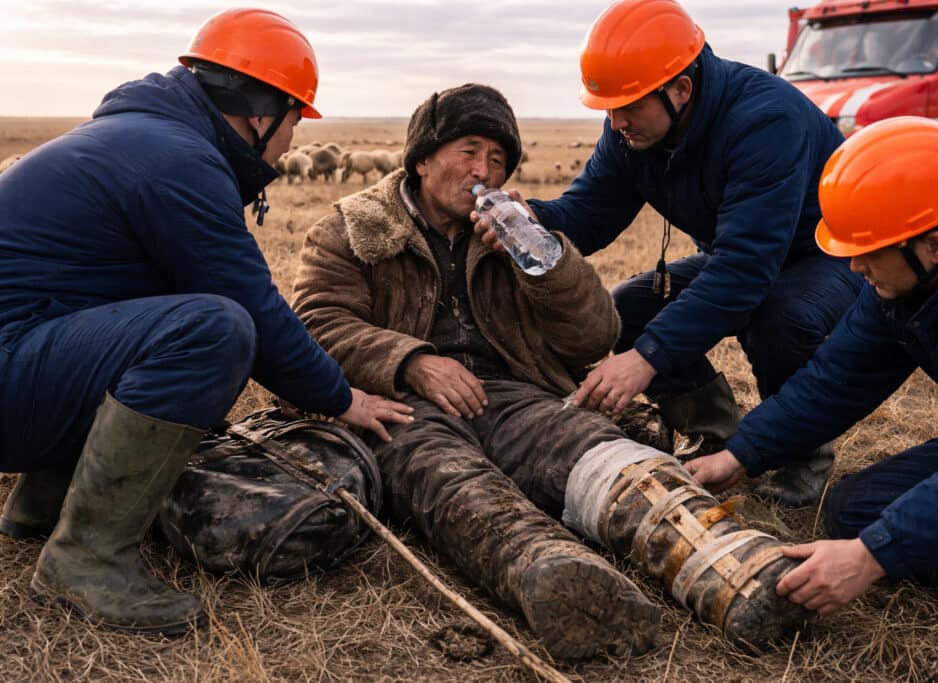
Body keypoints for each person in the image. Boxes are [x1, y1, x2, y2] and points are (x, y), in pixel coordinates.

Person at [293, 82, 812, 658]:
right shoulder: (353, 227)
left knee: (607, 455)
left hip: (516, 395)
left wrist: (548, 264)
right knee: (449, 480)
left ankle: (740, 569)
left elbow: (596, 335)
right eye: (468, 151)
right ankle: (559, 578)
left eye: (497, 159)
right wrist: (411, 361)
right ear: (422, 158)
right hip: (400, 405)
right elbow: (318, 322)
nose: (482, 170)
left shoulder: (516, 230)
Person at [0, 8, 411, 635]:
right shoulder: (177, 160)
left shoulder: (141, 136)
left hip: (18, 356)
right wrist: (340, 397)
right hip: (9, 371)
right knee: (213, 329)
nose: (295, 139)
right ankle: (86, 558)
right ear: (259, 110)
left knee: (139, 308)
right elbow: (252, 306)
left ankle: (43, 501)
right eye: (296, 116)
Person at [493, 0, 865, 507]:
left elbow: (743, 273)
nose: (617, 121)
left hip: (825, 254)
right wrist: (532, 217)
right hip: (741, 255)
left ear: (680, 89)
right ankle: (714, 428)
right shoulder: (631, 130)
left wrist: (644, 360)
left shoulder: (765, 121)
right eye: (609, 108)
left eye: (628, 106)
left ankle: (803, 451)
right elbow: (591, 211)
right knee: (629, 307)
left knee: (777, 314)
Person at [686, 117, 938, 645]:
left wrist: (872, 558)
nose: (854, 268)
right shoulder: (913, 268)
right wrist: (740, 453)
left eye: (866, 253)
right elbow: (837, 376)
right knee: (855, 511)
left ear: (934, 246)